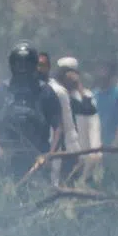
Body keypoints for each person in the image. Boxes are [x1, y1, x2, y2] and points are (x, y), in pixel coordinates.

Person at [0, 42, 62, 180]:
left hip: (38, 157)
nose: (22, 68)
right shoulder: (2, 91)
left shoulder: (45, 92)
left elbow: (58, 128)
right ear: (12, 65)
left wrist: (50, 155)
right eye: (19, 64)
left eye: (26, 64)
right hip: (8, 156)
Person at [38, 52, 77, 185]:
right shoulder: (58, 91)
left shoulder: (52, 90)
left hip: (50, 143)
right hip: (50, 143)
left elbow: (66, 124)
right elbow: (68, 125)